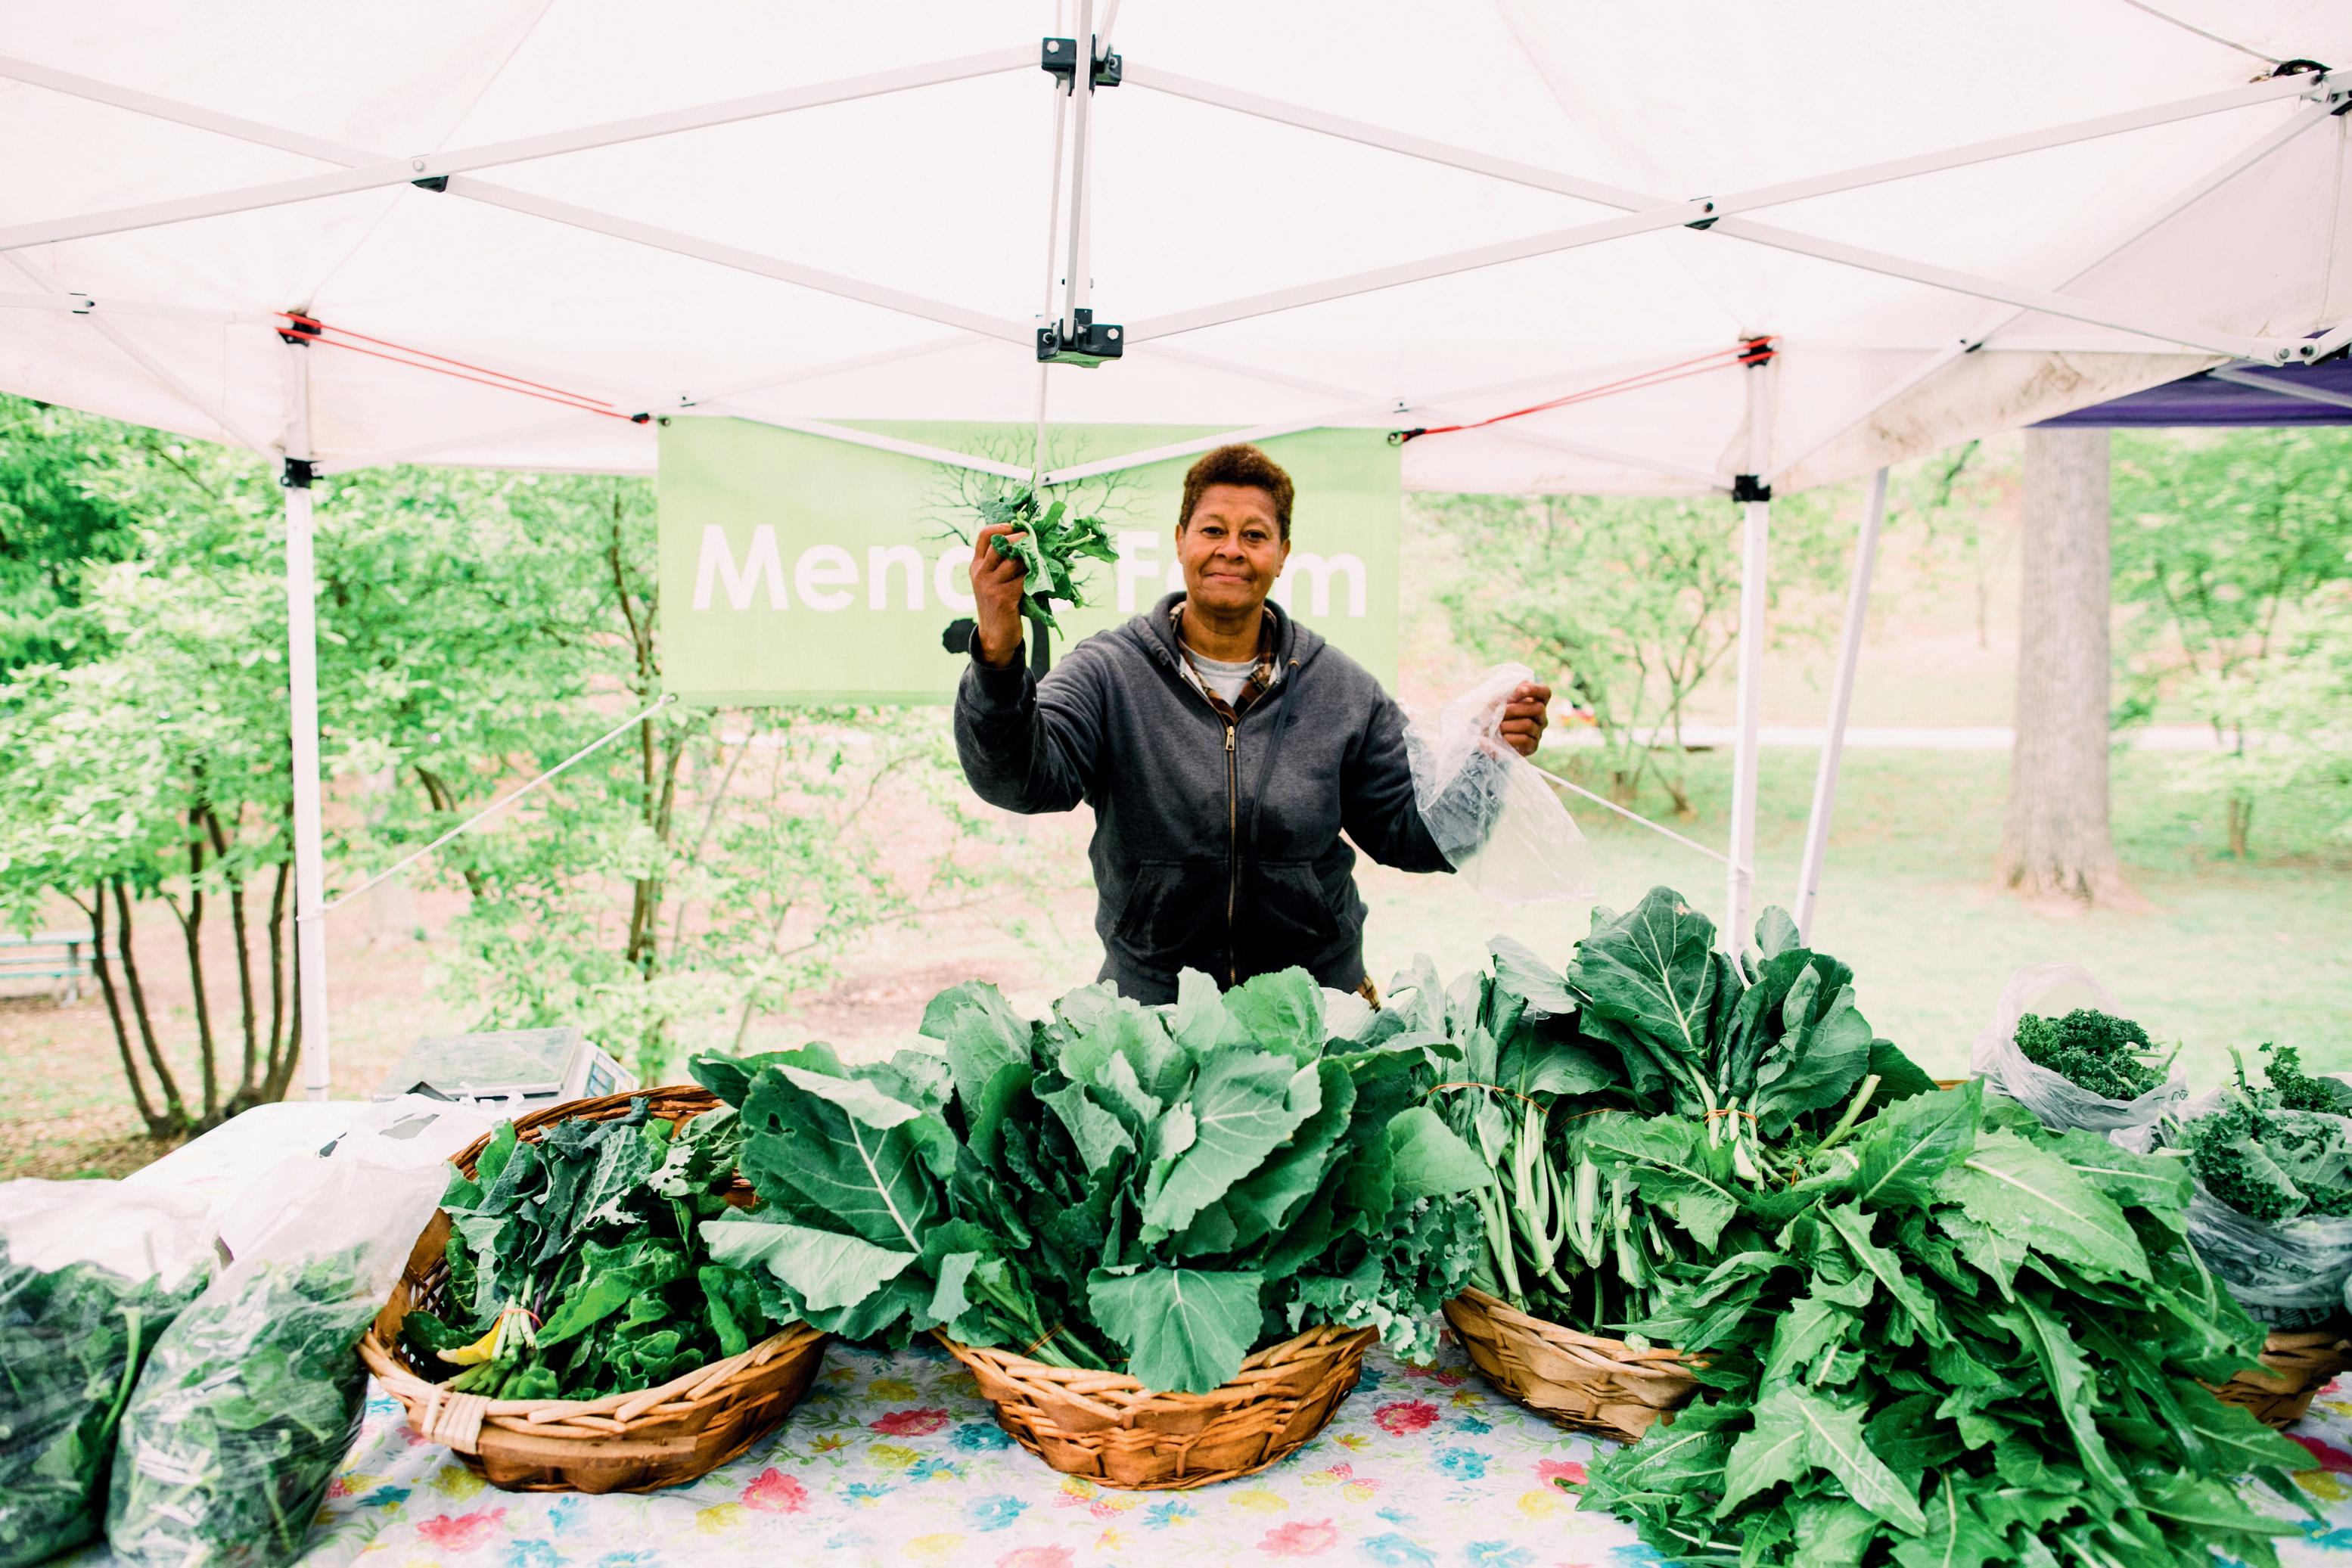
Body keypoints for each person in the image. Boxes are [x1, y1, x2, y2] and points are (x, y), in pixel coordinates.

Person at [954, 442, 1550, 1004]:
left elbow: (1414, 836)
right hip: (1153, 1009)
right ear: (1180, 540)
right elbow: (1019, 779)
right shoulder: (1108, 673)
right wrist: (998, 653)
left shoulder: (1340, 688)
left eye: (1255, 535)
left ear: (1282, 553)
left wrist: (1486, 759)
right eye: (1213, 530)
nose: (1231, 549)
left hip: (1313, 1006)